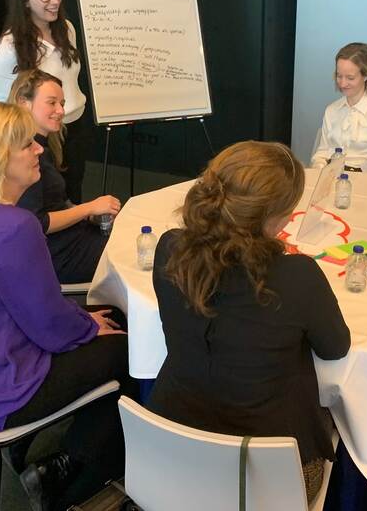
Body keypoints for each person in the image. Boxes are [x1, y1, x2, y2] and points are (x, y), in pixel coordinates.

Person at [0, 100, 136, 511]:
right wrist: (90, 326)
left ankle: (48, 451)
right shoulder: (13, 227)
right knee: (130, 350)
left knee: (100, 324)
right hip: (2, 389)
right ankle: (70, 476)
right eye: (26, 145)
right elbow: (52, 329)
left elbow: (35, 310)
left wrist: (82, 321)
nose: (39, 148)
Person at [147, 141, 351, 503]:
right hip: (270, 479)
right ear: (280, 218)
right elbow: (336, 348)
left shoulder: (169, 248)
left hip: (174, 452)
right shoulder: (297, 276)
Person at [0, 0, 89, 204]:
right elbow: (1, 102)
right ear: (25, 0)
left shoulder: (66, 29)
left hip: (75, 124)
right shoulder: (10, 46)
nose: (54, 1)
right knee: (49, 196)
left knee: (74, 187)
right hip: (40, 135)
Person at [9, 69, 120, 283]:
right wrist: (88, 208)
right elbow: (37, 222)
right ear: (24, 102)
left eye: (62, 103)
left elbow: (54, 204)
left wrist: (87, 215)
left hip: (68, 239)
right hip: (58, 254)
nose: (61, 110)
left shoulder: (41, 146)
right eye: (52, 103)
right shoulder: (25, 156)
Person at [310, 42, 367, 176]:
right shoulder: (331, 110)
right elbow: (321, 154)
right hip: (330, 178)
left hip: (366, 183)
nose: (343, 83)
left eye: (350, 78)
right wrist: (320, 168)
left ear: (366, 75)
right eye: (339, 76)